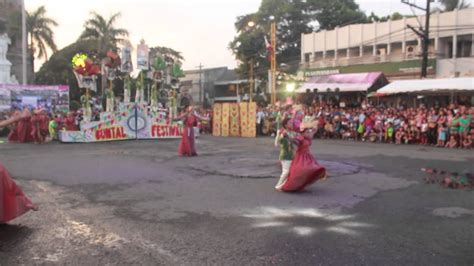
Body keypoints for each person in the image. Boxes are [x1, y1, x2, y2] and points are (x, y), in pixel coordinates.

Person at [280, 122, 326, 192]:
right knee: (300, 171)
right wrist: (287, 136)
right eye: (307, 132)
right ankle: (291, 185)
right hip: (300, 157)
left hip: (308, 156)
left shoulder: (308, 139)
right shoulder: (300, 138)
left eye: (308, 132)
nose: (309, 134)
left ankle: (302, 183)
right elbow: (294, 141)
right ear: (303, 133)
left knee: (312, 168)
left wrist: (313, 125)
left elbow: (314, 130)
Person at [274, 118, 294, 191]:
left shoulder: (290, 132)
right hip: (285, 155)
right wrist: (282, 135)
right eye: (290, 123)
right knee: (286, 171)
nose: (291, 124)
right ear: (286, 125)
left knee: (289, 171)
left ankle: (284, 185)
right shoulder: (283, 132)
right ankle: (278, 186)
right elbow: (277, 142)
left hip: (290, 154)